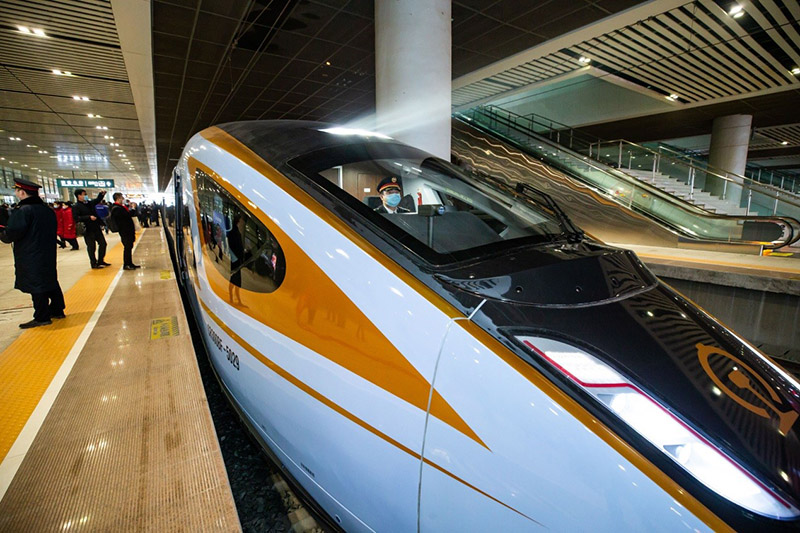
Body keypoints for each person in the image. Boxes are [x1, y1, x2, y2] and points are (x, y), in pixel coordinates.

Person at [0, 178, 65, 328]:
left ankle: (42, 316)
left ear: (22, 192)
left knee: (37, 284)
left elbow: (12, 234)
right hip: (47, 251)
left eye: (17, 191)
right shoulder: (47, 210)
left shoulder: (23, 211)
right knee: (50, 279)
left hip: (31, 253)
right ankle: (57, 309)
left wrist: (3, 233)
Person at [73, 188, 109, 269]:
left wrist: (102, 194)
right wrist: (88, 217)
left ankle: (101, 260)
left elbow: (97, 200)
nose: (85, 196)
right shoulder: (76, 206)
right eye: (84, 194)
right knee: (91, 247)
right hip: (87, 229)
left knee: (103, 244)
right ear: (79, 196)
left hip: (96, 227)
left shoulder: (89, 203)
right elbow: (76, 218)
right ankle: (93, 263)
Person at [110, 192, 140, 270]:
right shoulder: (116, 208)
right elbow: (127, 216)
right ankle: (126, 264)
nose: (123, 200)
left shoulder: (120, 207)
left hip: (127, 230)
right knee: (127, 247)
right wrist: (133, 208)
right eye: (122, 198)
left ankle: (129, 263)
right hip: (125, 231)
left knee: (129, 246)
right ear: (118, 198)